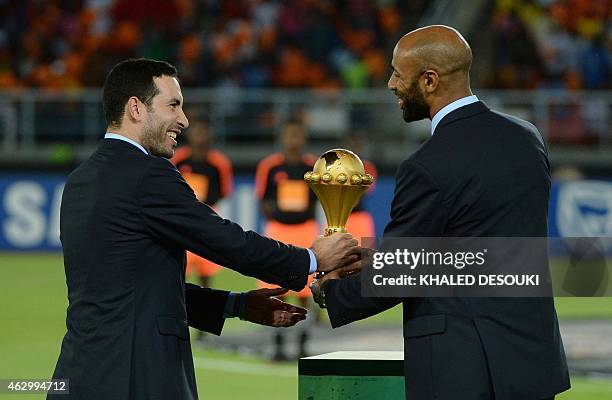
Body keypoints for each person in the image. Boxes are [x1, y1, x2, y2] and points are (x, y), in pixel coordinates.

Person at [48, 58, 359, 400]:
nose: (183, 119)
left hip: (79, 375)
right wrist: (311, 259)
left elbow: (132, 288)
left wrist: (234, 305)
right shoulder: (149, 174)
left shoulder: (80, 181)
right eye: (173, 105)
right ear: (136, 108)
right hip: (138, 377)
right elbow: (225, 240)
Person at [312, 26, 570, 400]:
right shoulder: (527, 137)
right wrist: (379, 259)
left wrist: (330, 291)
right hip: (531, 362)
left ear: (430, 80)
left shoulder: (427, 165)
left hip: (462, 369)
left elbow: (402, 275)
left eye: (398, 73)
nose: (390, 84)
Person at [254, 119, 319, 360]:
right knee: (275, 289)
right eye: (289, 135)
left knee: (305, 290)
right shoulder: (270, 166)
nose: (293, 140)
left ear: (303, 139)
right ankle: (278, 343)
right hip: (279, 231)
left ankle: (303, 343)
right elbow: (262, 199)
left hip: (306, 230)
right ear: (282, 138)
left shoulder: (313, 166)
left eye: (297, 135)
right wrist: (277, 220)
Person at [171, 119, 233, 343]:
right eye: (197, 130)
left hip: (207, 221)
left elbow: (224, 191)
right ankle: (179, 319)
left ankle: (204, 323)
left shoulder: (218, 162)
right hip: (184, 223)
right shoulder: (180, 158)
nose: (200, 135)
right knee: (179, 274)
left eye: (204, 131)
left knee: (206, 275)